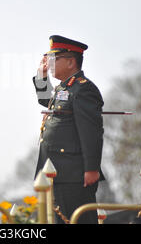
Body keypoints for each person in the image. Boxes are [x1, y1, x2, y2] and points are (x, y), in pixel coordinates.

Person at [33, 35, 105, 224]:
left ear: (71, 61)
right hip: (57, 172)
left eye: (54, 59)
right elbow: (45, 101)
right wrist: (41, 77)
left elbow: (91, 132)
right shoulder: (64, 89)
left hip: (73, 174)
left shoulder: (83, 89)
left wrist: (91, 168)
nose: (49, 63)